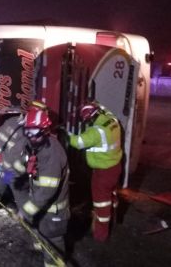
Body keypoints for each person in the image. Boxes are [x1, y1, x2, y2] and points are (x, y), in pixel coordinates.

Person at [17, 106, 70, 267]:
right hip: (43, 210)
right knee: (42, 236)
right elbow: (19, 164)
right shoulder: (35, 145)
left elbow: (47, 191)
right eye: (28, 132)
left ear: (45, 131)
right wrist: (8, 176)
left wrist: (25, 211)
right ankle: (41, 253)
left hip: (54, 214)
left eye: (35, 133)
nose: (31, 137)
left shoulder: (52, 154)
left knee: (53, 248)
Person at [68, 102, 123, 242]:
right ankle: (115, 219)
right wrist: (92, 104)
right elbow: (103, 107)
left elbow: (78, 142)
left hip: (102, 173)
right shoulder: (112, 119)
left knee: (101, 204)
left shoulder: (96, 131)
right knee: (112, 195)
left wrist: (66, 133)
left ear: (90, 118)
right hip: (115, 166)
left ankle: (100, 235)